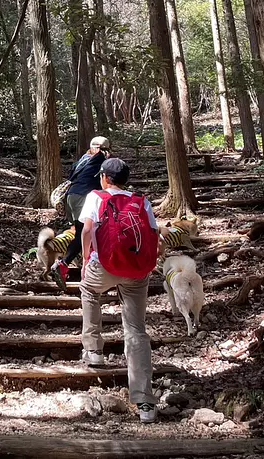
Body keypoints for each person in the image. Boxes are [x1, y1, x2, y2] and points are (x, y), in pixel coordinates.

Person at [78, 157, 159, 423]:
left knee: (89, 290)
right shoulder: (141, 201)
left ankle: (94, 350)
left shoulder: (96, 197)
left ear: (104, 177)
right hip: (137, 270)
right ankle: (145, 401)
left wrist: (85, 258)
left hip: (104, 266)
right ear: (126, 179)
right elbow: (154, 234)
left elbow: (87, 230)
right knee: (136, 329)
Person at [50, 136, 110, 290]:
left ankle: (81, 264)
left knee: (82, 232)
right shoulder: (101, 160)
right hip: (84, 197)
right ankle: (64, 264)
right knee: (87, 232)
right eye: (104, 149)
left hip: (71, 196)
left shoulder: (83, 160)